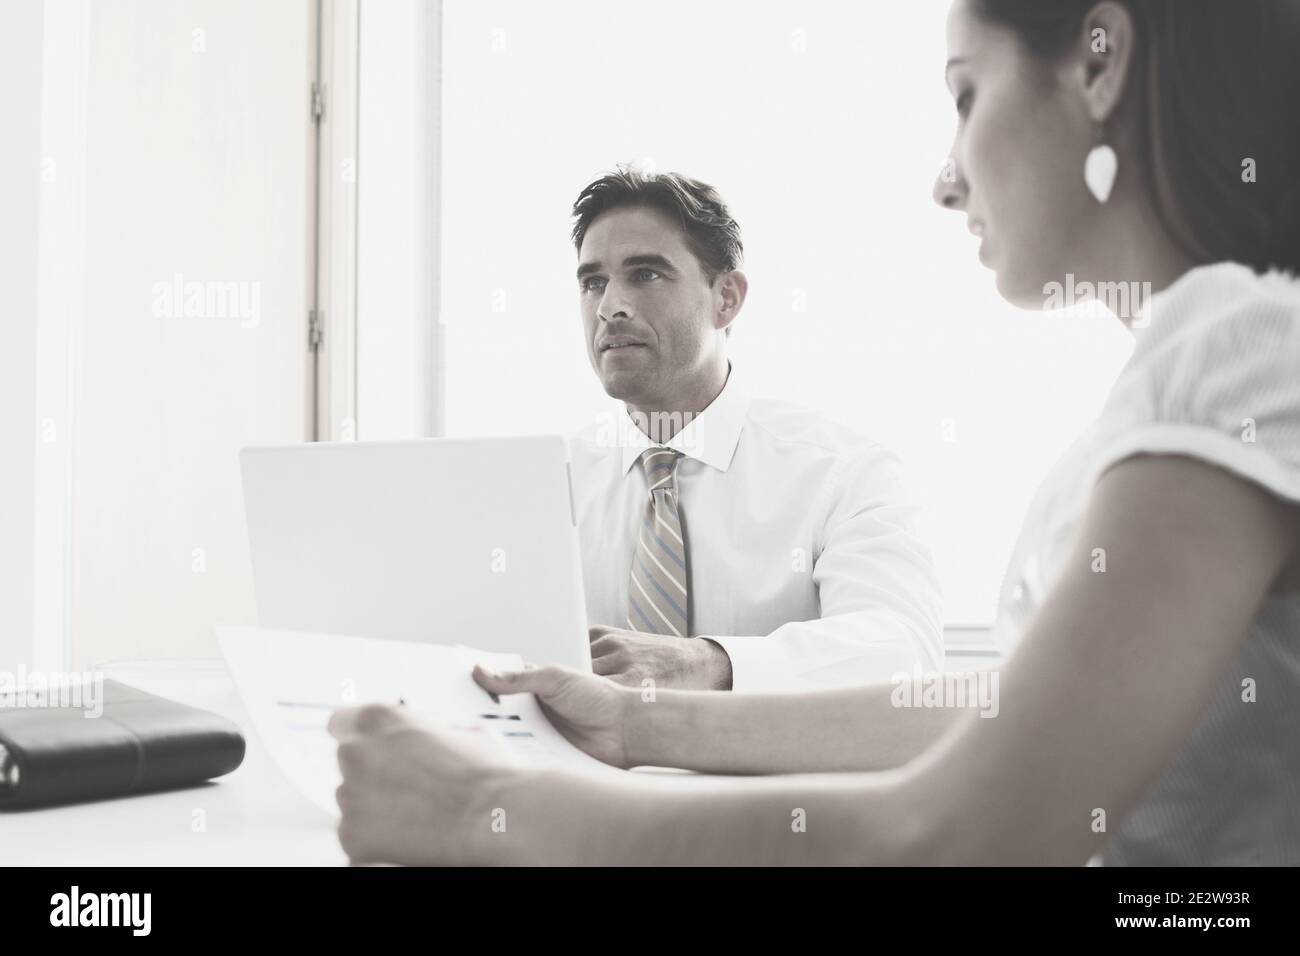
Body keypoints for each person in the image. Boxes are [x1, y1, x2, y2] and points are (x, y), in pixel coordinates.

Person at [329, 0, 1300, 865]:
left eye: (965, 97)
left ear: (1097, 62)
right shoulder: (1209, 359)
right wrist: (639, 721)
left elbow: (963, 830)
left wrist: (483, 808)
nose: (945, 181)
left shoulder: (1236, 346)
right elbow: (1004, 713)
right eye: (591, 280)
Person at [566, 169, 943, 691]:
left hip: (764, 774)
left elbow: (904, 652)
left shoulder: (844, 473)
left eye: (646, 274)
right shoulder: (547, 484)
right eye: (593, 283)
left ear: (727, 298)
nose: (610, 307)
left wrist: (708, 664)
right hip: (575, 770)